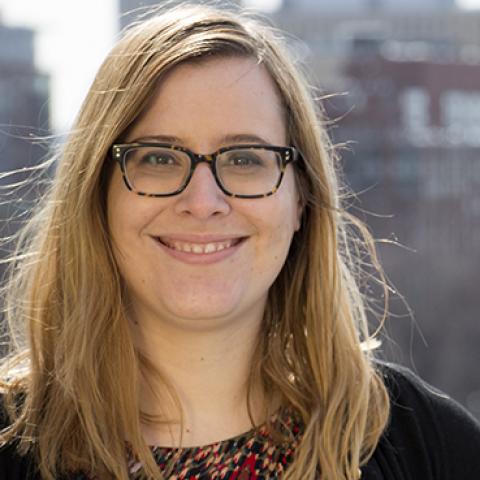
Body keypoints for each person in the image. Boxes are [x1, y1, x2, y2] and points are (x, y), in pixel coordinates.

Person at [1, 3, 479, 479]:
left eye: (245, 159)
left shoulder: (429, 448)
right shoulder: (11, 443)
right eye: (160, 159)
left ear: (300, 201)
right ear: (97, 196)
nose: (203, 200)